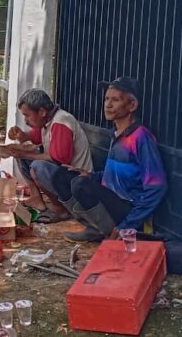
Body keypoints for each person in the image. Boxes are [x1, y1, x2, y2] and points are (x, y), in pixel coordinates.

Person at [60, 77, 167, 242]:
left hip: (129, 208)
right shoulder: (116, 134)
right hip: (113, 200)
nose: (108, 104)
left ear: (132, 105)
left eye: (115, 100)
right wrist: (92, 176)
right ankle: (96, 227)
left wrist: (128, 224)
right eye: (106, 99)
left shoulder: (141, 137)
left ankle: (103, 230)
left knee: (79, 185)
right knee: (70, 177)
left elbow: (156, 187)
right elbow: (117, 175)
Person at [6, 89, 93, 223]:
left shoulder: (61, 121)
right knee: (23, 156)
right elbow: (32, 138)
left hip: (78, 181)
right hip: (65, 175)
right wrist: (20, 135)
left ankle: (60, 209)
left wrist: (25, 153)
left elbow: (58, 158)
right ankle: (36, 198)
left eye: (27, 115)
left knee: (38, 167)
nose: (26, 120)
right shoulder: (45, 121)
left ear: (42, 112)